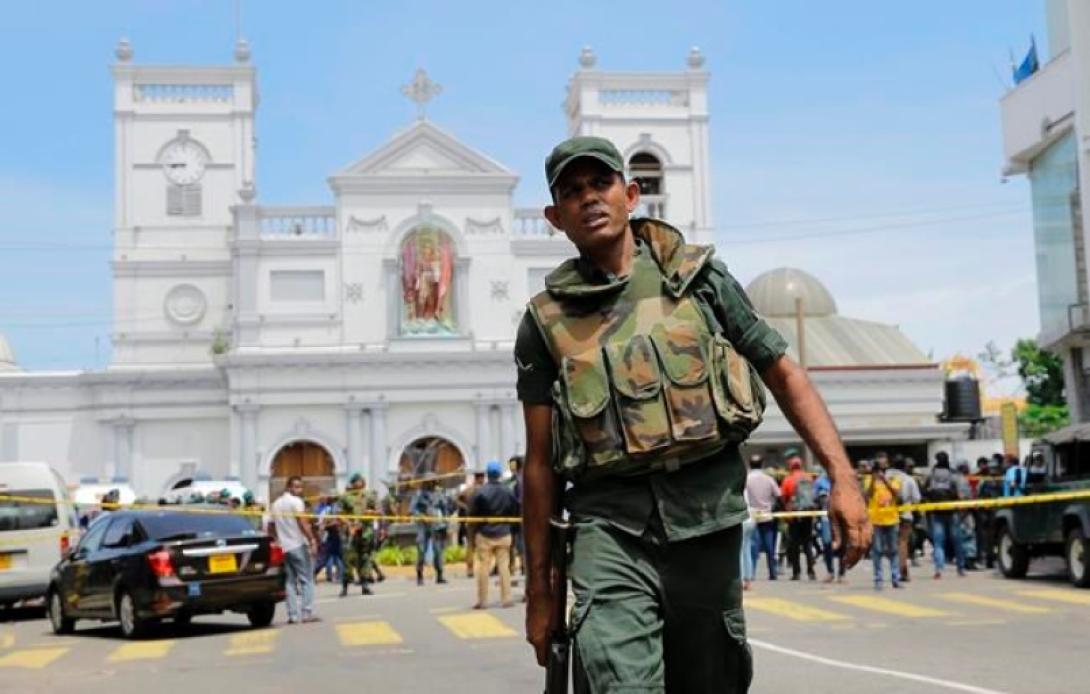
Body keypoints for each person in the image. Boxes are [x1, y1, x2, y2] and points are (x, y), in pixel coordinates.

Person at [517, 136, 871, 692]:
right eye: (571, 191)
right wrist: (540, 592)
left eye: (600, 183)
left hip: (706, 524)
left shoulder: (698, 279)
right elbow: (538, 465)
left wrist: (843, 479)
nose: (589, 198)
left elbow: (783, 372)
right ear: (554, 217)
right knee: (619, 681)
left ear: (630, 194)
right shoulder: (544, 321)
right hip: (609, 529)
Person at [269, 476, 320, 623]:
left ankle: (292, 615)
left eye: (300, 487)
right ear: (289, 487)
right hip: (297, 545)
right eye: (296, 487)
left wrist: (277, 540)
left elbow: (271, 526)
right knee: (307, 580)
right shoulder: (296, 502)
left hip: (284, 547)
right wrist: (312, 540)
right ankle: (306, 613)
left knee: (290, 581)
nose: (299, 490)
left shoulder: (276, 504)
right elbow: (302, 522)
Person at [470, 460, 520, 609]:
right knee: (504, 567)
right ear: (499, 474)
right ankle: (506, 599)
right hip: (504, 533)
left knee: (483, 568)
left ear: (487, 474)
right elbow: (514, 511)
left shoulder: (480, 492)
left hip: (485, 534)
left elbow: (473, 514)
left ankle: (483, 600)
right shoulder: (508, 491)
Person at [923, 452, 966, 579]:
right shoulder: (953, 475)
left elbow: (925, 492)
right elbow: (961, 494)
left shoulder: (931, 475)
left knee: (938, 543)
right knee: (957, 541)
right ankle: (960, 568)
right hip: (952, 511)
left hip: (936, 511)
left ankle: (939, 569)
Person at [864, 456, 902, 589]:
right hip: (876, 520)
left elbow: (896, 493)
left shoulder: (893, 478)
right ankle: (878, 579)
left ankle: (895, 578)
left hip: (891, 518)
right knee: (877, 550)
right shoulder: (870, 479)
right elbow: (867, 495)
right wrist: (874, 479)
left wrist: (885, 480)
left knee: (893, 550)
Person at [779, 450, 818, 581]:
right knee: (807, 543)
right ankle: (811, 571)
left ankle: (796, 572)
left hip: (794, 515)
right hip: (808, 514)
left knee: (794, 544)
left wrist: (786, 511)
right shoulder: (808, 477)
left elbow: (783, 497)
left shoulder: (788, 479)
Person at [745, 454, 781, 581]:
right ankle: (772, 572)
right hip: (767, 515)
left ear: (750, 464)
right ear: (762, 464)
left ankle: (751, 573)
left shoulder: (747, 479)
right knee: (769, 546)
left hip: (751, 515)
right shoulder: (768, 479)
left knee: (753, 545)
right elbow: (778, 494)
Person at [885, 453, 920, 582]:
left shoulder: (884, 478)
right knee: (903, 542)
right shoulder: (909, 479)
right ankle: (902, 569)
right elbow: (917, 499)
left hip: (885, 515)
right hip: (905, 514)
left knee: (889, 544)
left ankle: (894, 570)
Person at [411, 477, 451, 585]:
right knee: (421, 549)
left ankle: (440, 574)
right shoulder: (419, 494)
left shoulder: (439, 494)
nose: (431, 484)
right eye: (429, 482)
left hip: (437, 525)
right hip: (423, 525)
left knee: (438, 550)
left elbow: (445, 508)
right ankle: (420, 574)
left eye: (433, 482)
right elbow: (413, 509)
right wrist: (422, 516)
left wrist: (445, 523)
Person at [813, 469, 845, 582]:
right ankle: (830, 572)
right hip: (826, 517)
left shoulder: (842, 482)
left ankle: (842, 573)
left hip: (841, 517)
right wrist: (822, 498)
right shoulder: (820, 481)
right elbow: (814, 499)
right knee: (827, 544)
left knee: (842, 545)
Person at [457, 470, 486, 578]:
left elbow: (458, 498)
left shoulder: (469, 490)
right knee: (483, 545)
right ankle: (481, 567)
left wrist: (465, 507)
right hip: (483, 521)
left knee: (471, 545)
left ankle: (470, 569)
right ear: (481, 478)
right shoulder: (483, 489)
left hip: (471, 519)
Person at [506, 455, 526, 577]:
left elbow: (516, 500)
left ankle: (513, 567)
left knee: (514, 543)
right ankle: (523, 567)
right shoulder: (528, 478)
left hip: (516, 515)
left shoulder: (515, 481)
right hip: (526, 515)